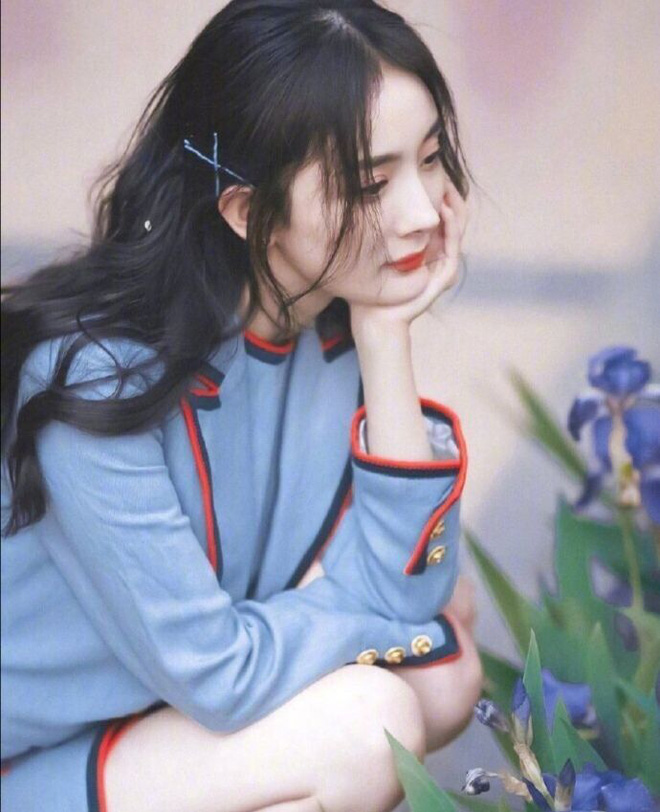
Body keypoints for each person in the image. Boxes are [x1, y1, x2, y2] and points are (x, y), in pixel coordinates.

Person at [0, 1, 483, 810]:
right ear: (249, 211)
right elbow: (221, 674)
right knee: (374, 723)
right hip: (31, 762)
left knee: (442, 675)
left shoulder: (331, 325)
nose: (423, 213)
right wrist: (384, 615)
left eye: (430, 159)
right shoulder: (99, 379)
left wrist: (384, 337)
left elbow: (409, 595)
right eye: (371, 182)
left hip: (160, 723)